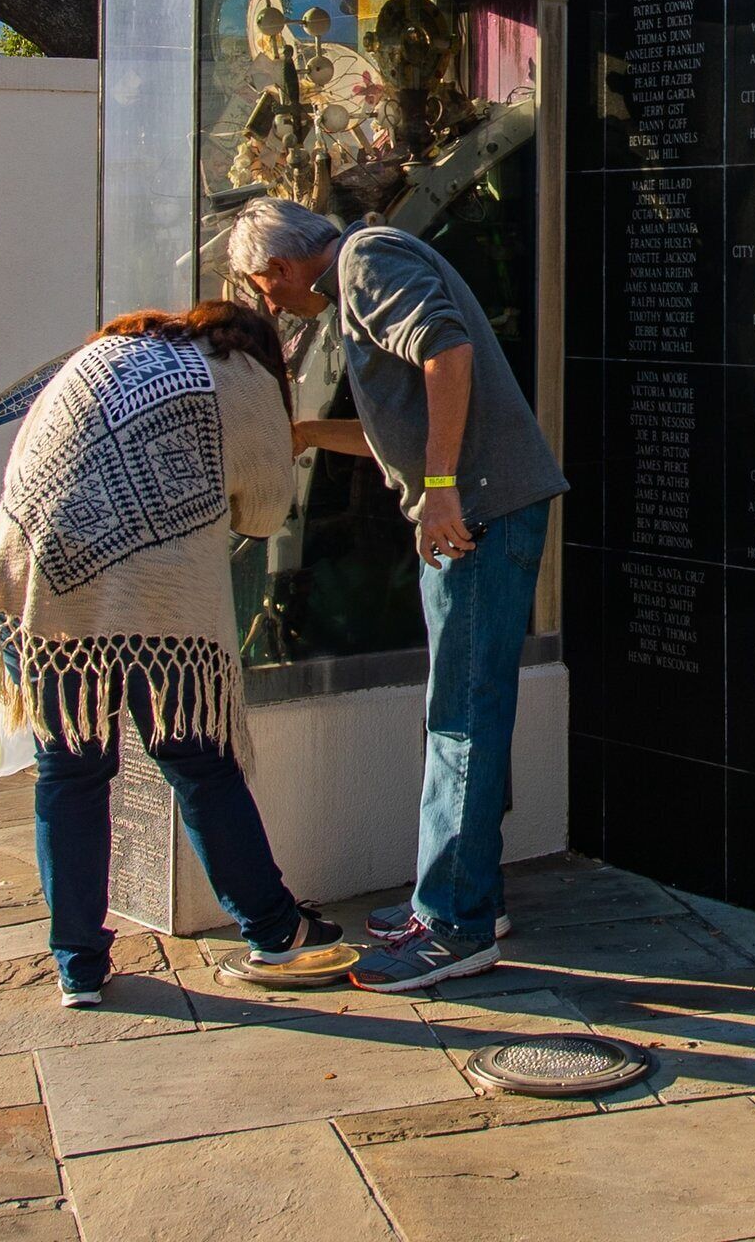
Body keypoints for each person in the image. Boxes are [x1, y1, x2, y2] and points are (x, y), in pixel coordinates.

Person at [228, 195, 566, 994]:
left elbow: (447, 353)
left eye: (259, 287)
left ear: (279, 266)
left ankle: (454, 925)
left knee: (463, 716)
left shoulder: (366, 260)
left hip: (476, 511)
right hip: (475, 509)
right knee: (460, 710)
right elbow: (402, 428)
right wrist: (309, 435)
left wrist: (443, 488)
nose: (266, 304)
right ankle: (464, 896)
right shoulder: (360, 273)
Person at [0, 301, 339, 1005]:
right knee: (199, 763)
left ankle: (77, 966)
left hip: (35, 592)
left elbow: (24, 474)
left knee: (69, 773)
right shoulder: (239, 374)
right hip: (155, 611)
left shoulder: (97, 356)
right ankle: (274, 929)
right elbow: (263, 510)